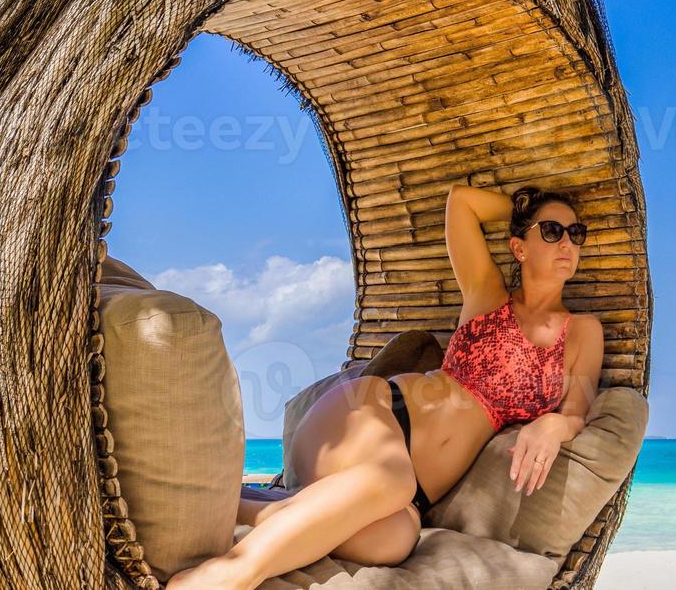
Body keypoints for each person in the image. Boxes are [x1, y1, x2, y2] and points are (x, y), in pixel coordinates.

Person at [167, 183, 605, 588]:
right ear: (519, 247)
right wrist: (523, 208)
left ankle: (245, 503)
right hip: (370, 414)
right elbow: (461, 203)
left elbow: (575, 413)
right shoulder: (487, 294)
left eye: (576, 233)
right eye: (551, 231)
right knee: (390, 480)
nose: (567, 243)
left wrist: (551, 426)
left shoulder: (582, 331)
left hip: (409, 492)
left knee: (392, 542)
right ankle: (231, 573)